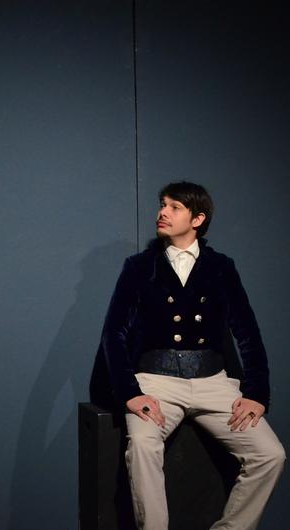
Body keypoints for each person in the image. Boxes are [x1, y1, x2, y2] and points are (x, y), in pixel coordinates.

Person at [101, 181, 285, 530]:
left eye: (174, 207)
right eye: (162, 205)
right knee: (141, 446)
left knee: (270, 455)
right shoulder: (140, 267)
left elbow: (247, 332)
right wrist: (130, 393)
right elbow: (114, 334)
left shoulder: (221, 266)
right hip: (156, 382)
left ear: (197, 218)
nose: (162, 212)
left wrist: (257, 393)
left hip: (213, 383)